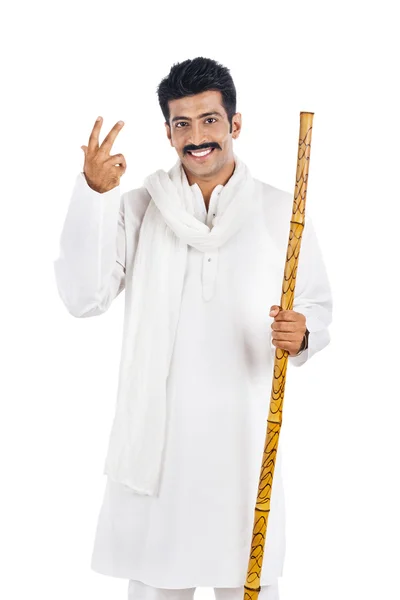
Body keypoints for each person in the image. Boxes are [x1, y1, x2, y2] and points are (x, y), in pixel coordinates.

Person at [53, 57, 333, 600]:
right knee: (159, 583)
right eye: (183, 124)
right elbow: (82, 299)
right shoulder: (139, 209)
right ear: (167, 132)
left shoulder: (282, 212)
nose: (197, 137)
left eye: (209, 120)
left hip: (245, 450)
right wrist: (93, 194)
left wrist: (302, 333)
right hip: (159, 457)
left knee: (244, 584)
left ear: (235, 124)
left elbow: (317, 306)